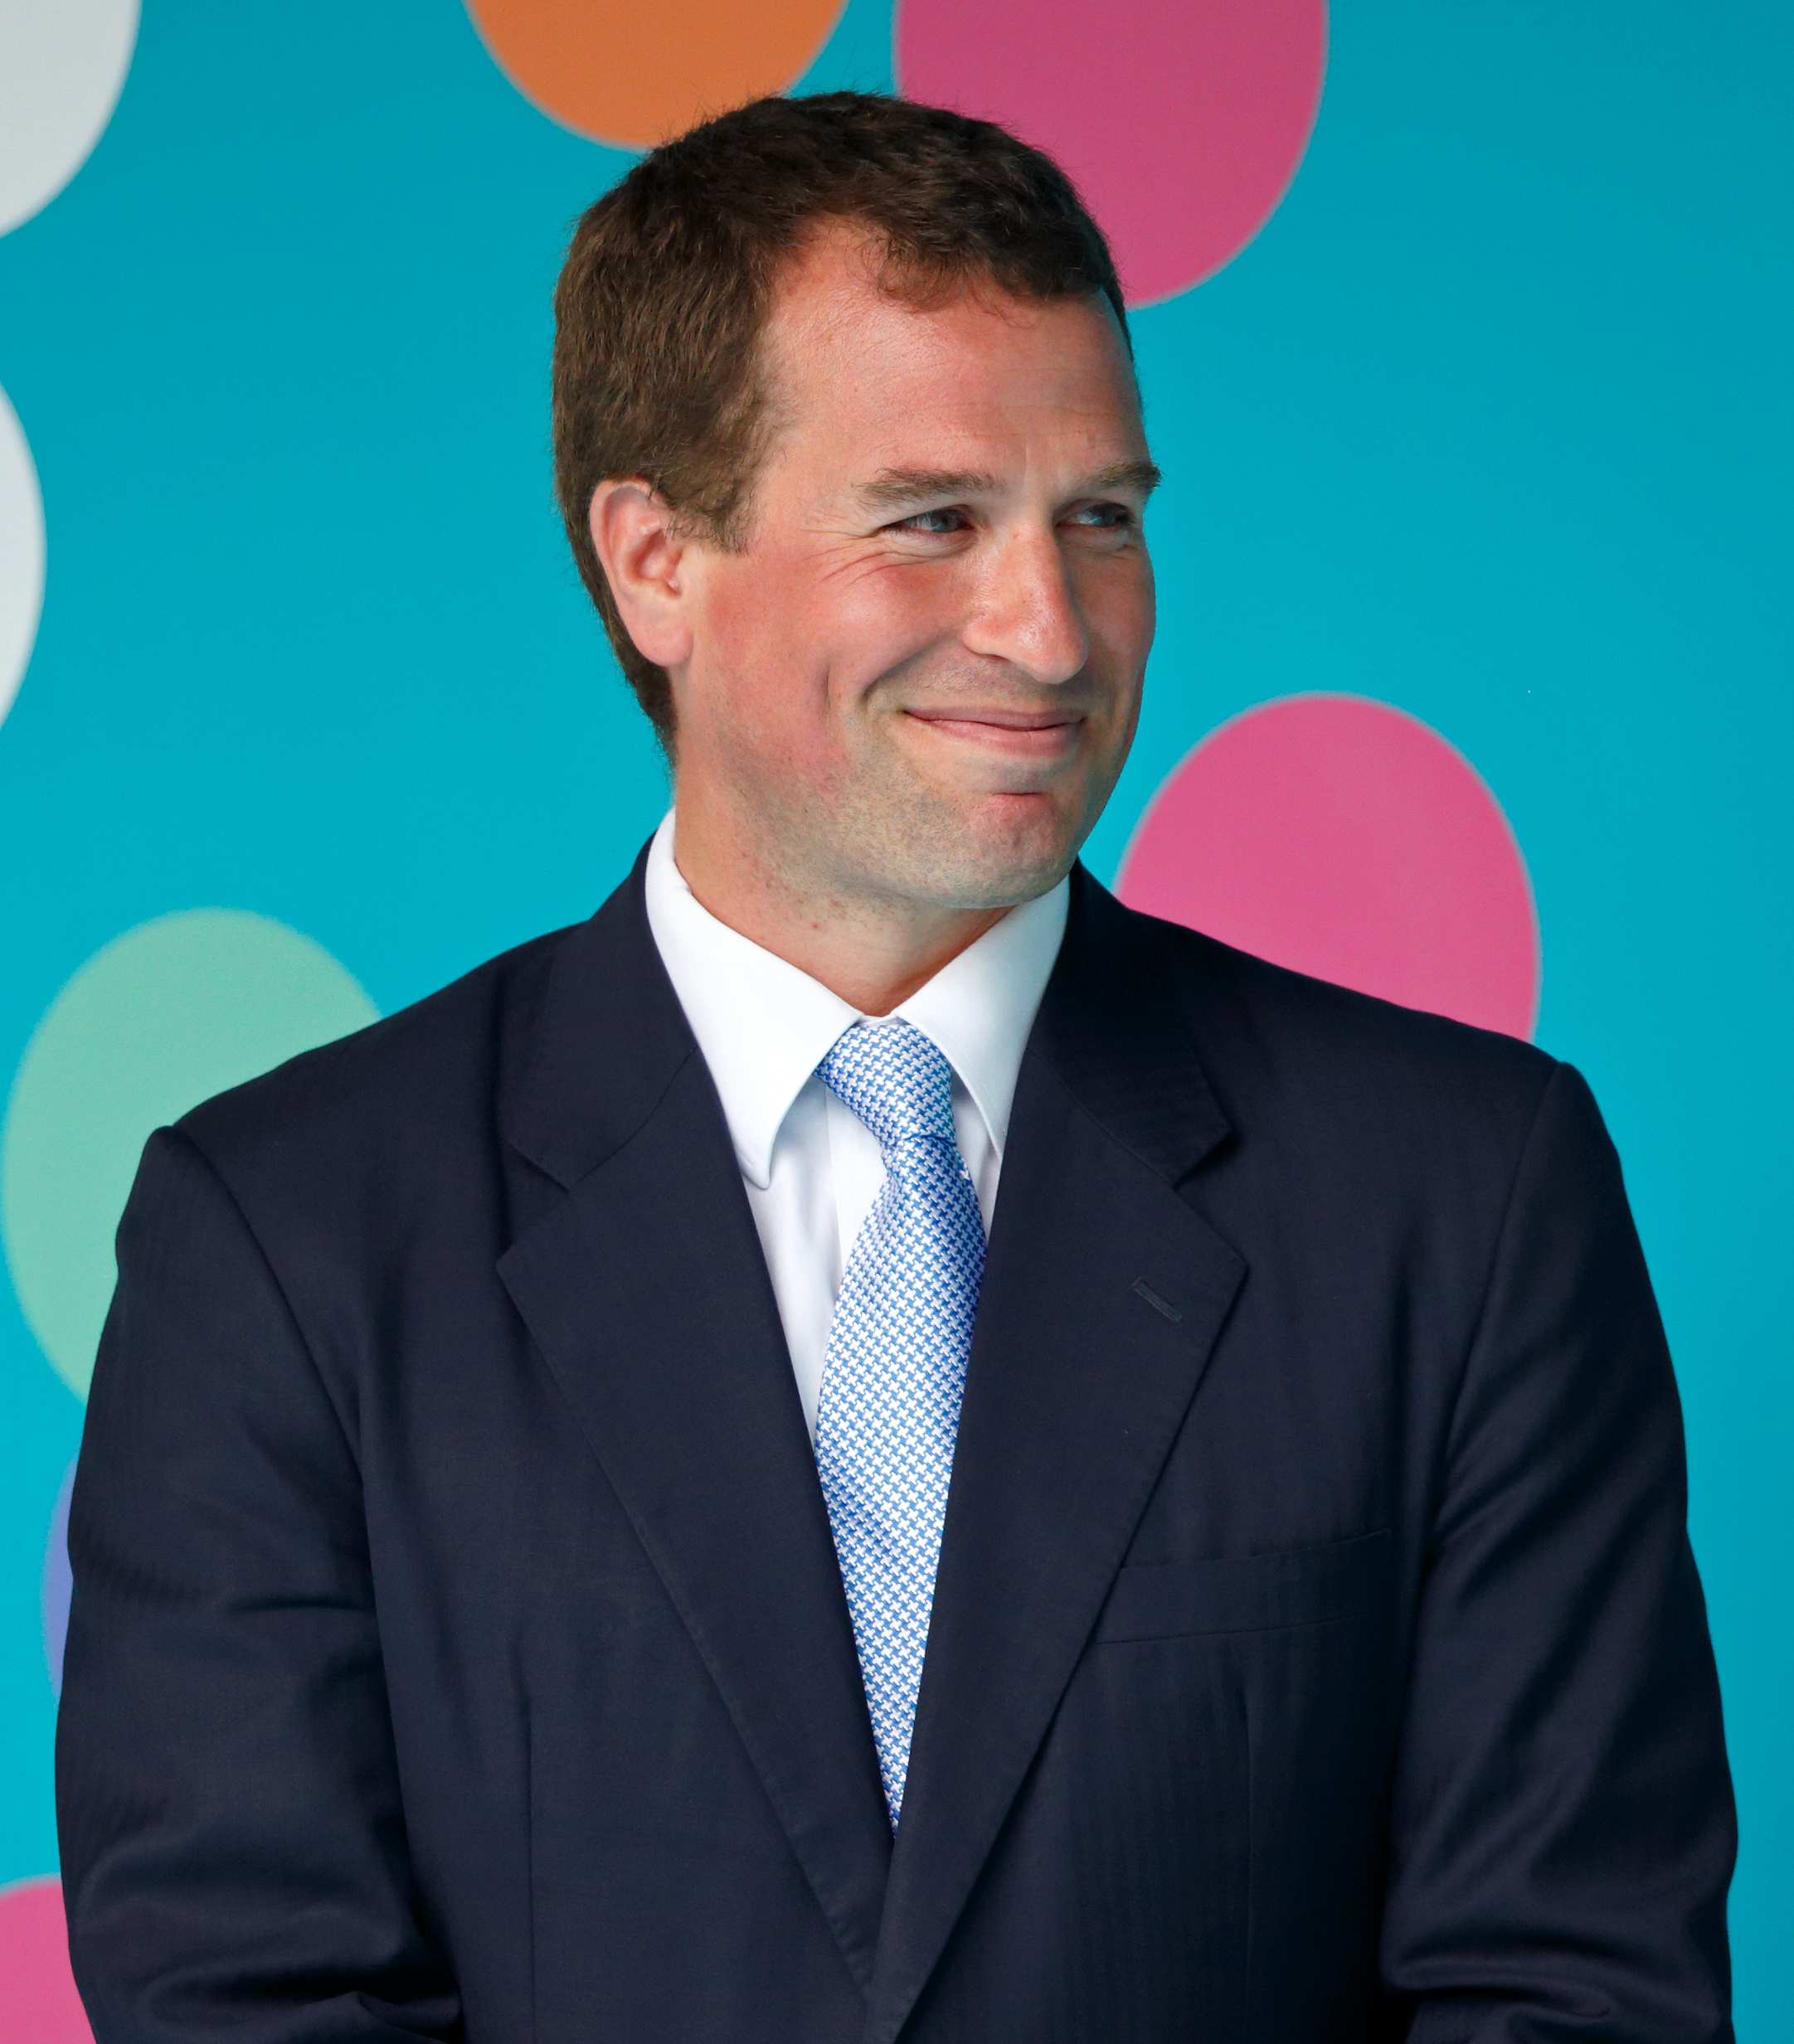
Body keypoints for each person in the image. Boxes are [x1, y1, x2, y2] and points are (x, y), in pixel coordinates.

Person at [56, 92, 1733, 2044]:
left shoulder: (1460, 1199)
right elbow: (248, 1998)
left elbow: (1566, 1985)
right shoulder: (286, 1243)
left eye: (1097, 517)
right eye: (932, 518)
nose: (1045, 626)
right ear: (654, 564)